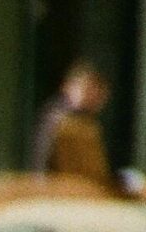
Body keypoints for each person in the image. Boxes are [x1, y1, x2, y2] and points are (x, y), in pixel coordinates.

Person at [30, 60, 113, 188]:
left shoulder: (88, 123)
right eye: (87, 88)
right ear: (67, 87)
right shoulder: (60, 121)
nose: (93, 96)